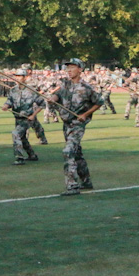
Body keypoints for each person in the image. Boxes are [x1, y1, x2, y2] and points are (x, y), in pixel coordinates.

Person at [50, 59, 103, 196]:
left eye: (72, 67)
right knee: (76, 153)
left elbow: (99, 102)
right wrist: (53, 98)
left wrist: (85, 114)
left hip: (77, 125)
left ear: (80, 69)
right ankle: (86, 181)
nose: (69, 70)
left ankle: (72, 186)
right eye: (67, 68)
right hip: (66, 124)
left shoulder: (87, 88)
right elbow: (58, 94)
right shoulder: (65, 84)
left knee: (68, 152)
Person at [2, 69, 44, 165]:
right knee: (22, 138)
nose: (17, 78)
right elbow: (9, 101)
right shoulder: (13, 90)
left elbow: (42, 104)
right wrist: (6, 106)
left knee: (16, 134)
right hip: (17, 118)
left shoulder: (31, 90)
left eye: (19, 76)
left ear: (25, 77)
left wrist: (33, 115)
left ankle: (19, 158)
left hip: (27, 118)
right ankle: (32, 155)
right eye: (16, 76)